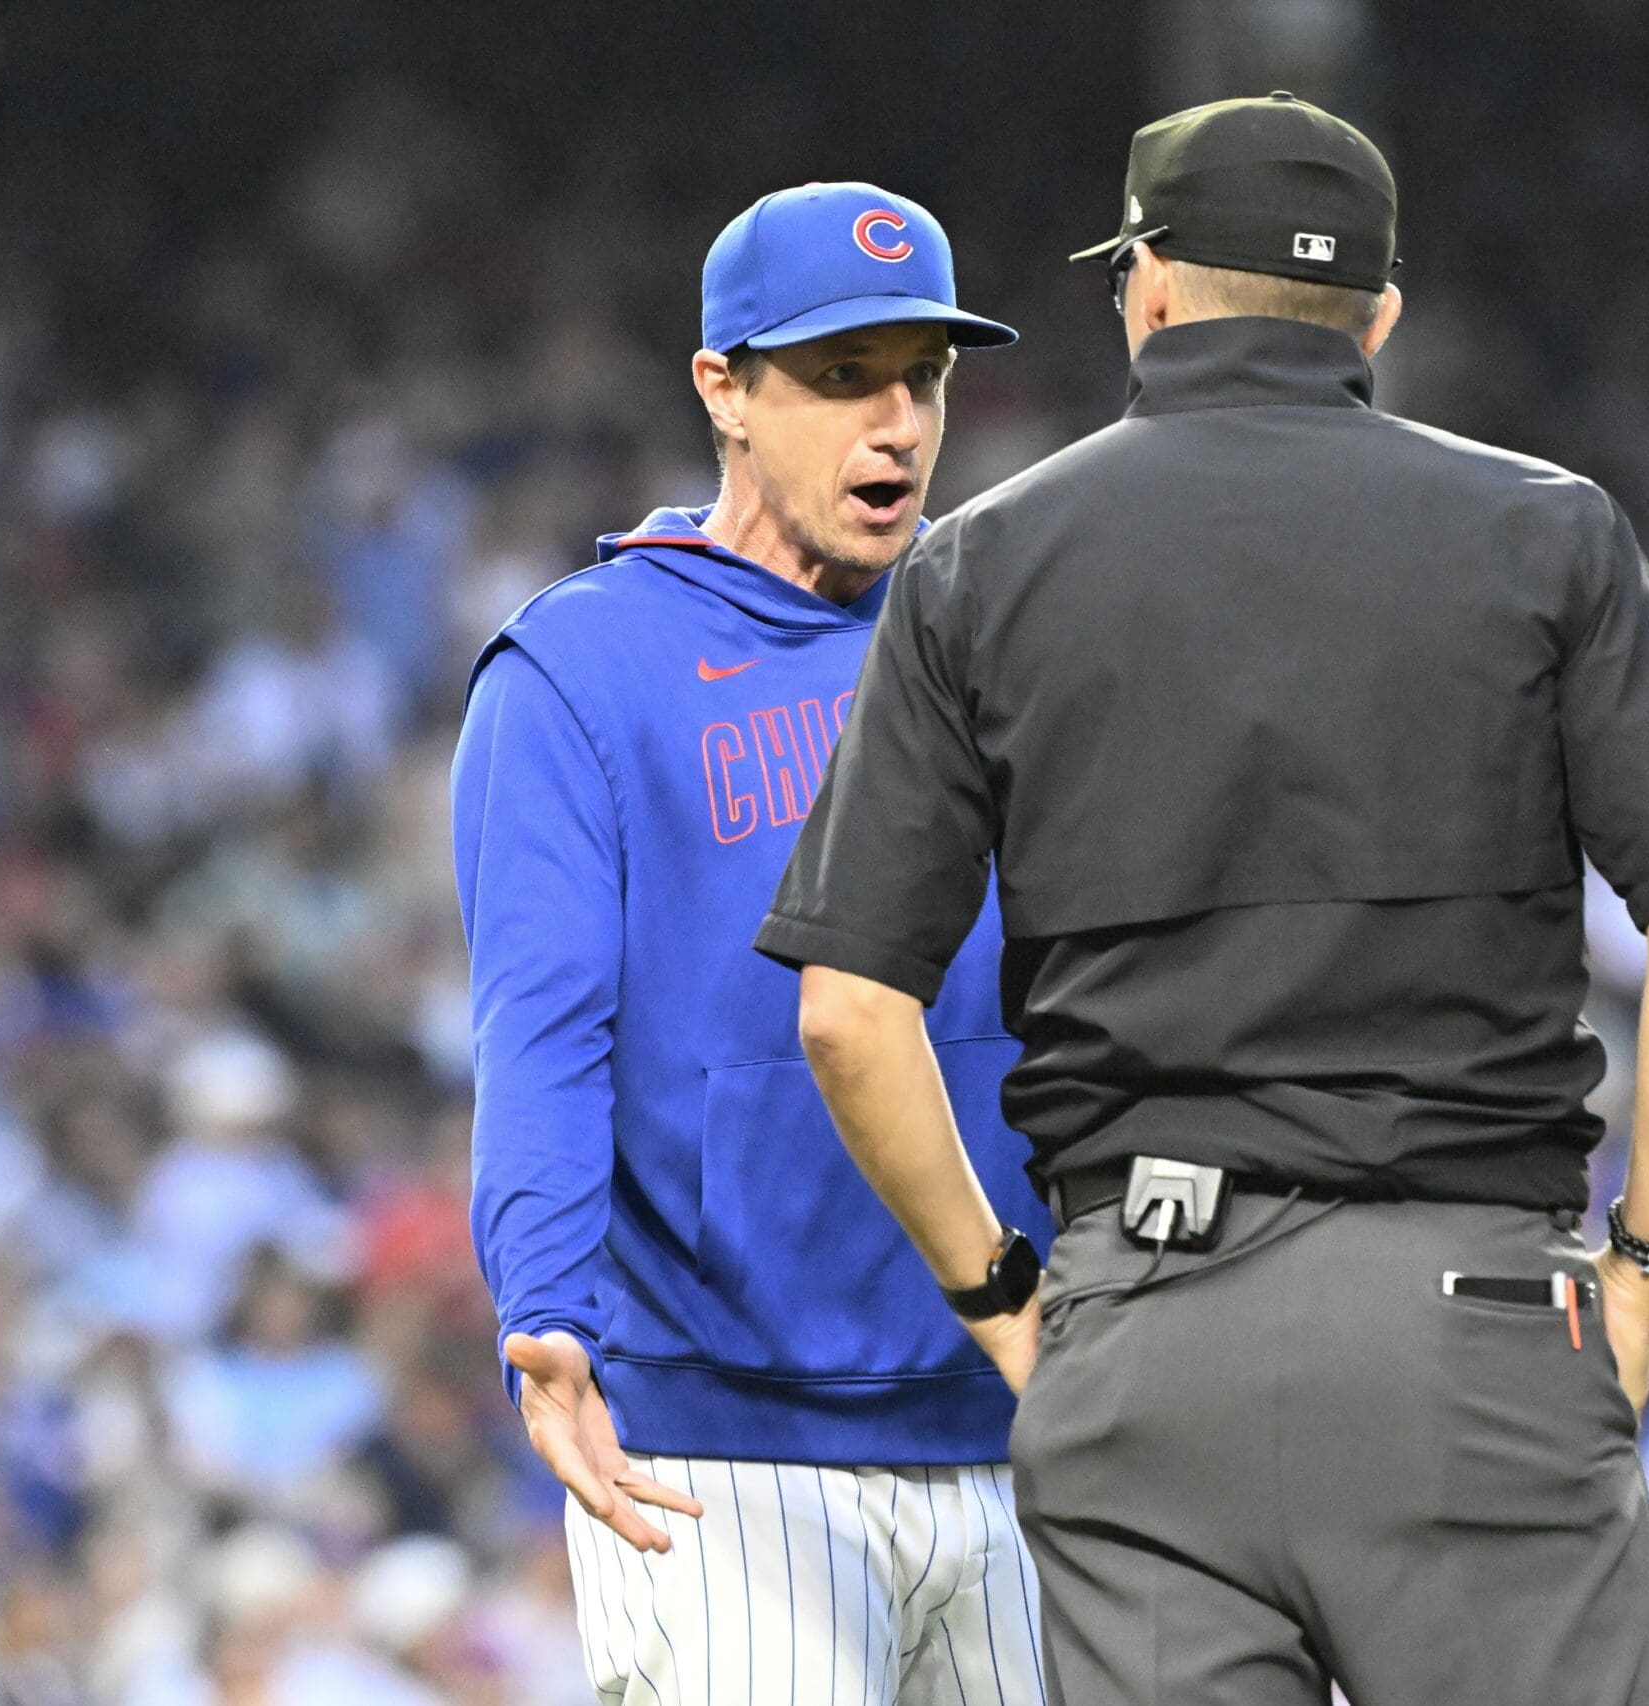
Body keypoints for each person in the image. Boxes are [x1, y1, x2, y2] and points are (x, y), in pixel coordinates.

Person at [756, 97, 1649, 1704]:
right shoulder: (1549, 530)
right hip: (1475, 1329)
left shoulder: (979, 565)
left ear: (1151, 288)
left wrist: (1005, 1299)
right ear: (1380, 314)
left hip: (1145, 1327)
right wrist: (1647, 1262)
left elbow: (846, 1009)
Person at [453, 182, 1047, 1705]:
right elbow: (543, 1023)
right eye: (843, 377)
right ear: (723, 387)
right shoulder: (582, 663)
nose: (898, 424)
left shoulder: (996, 645)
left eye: (923, 376)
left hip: (1013, 1407)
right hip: (722, 1441)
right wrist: (542, 1301)